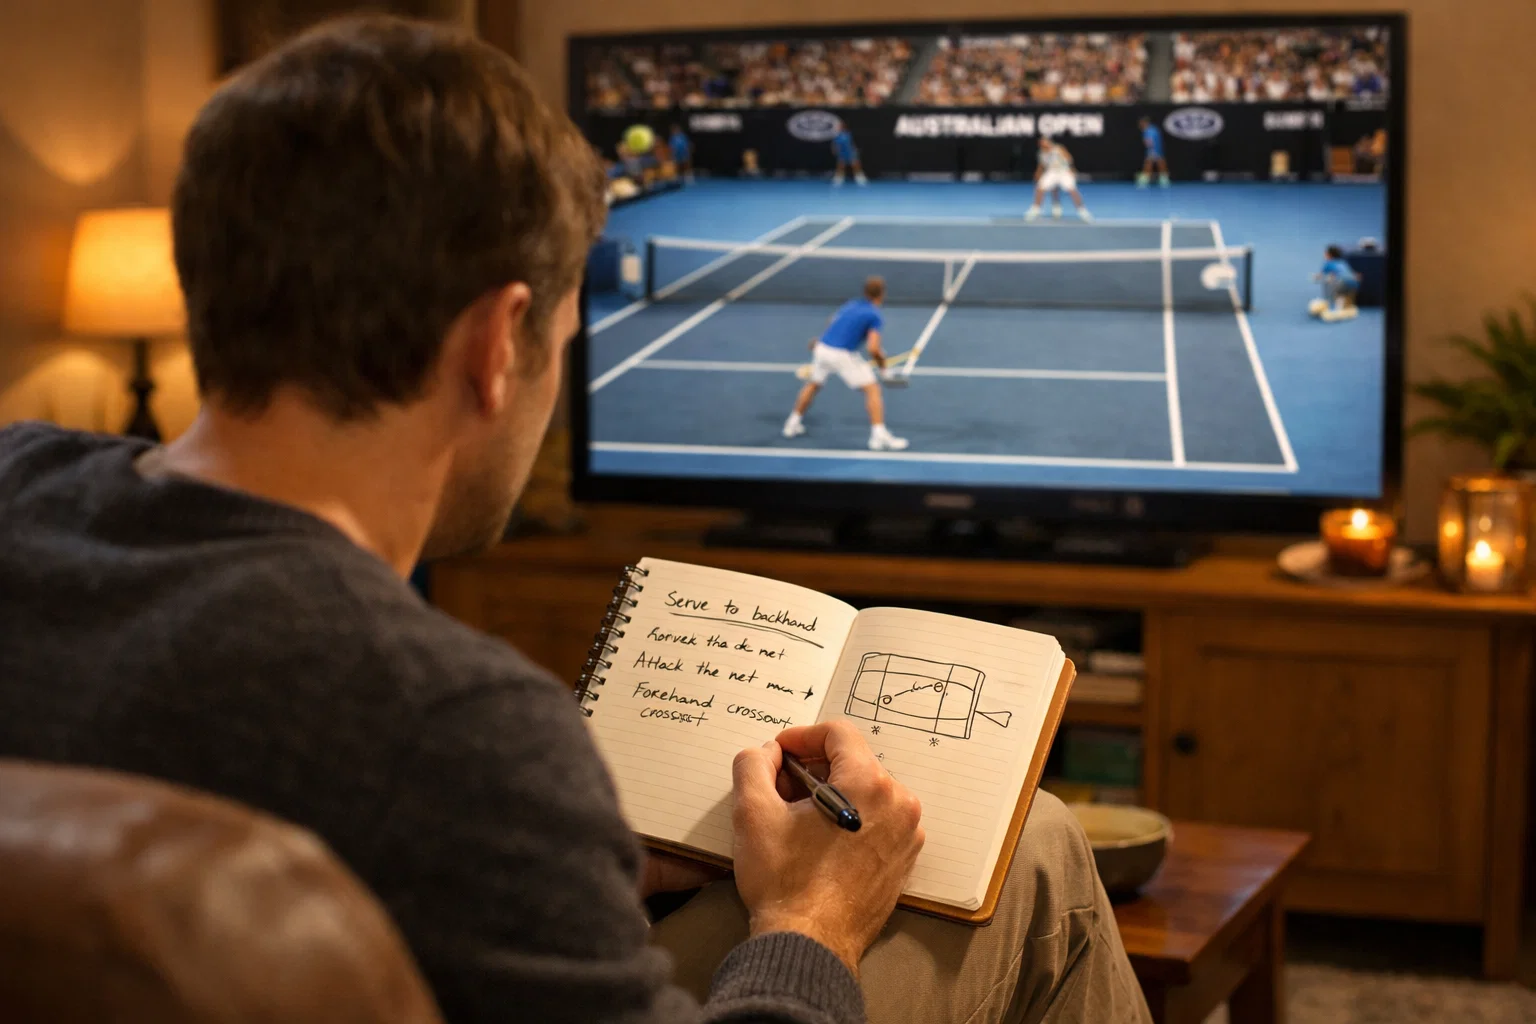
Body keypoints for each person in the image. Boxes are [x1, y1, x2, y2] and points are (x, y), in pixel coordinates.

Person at [0, 15, 1150, 1024]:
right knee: (1035, 848)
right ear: (497, 344)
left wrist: (567, 866)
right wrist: (810, 922)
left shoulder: (19, 483)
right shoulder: (456, 726)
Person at [784, 276, 909, 452]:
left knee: (813, 384)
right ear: (882, 294)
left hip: (823, 347)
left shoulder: (851, 304)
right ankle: (878, 436)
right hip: (841, 354)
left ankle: (792, 424)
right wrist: (883, 367)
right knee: (872, 389)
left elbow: (832, 322)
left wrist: (822, 340)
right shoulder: (874, 315)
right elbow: (873, 348)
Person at [1026, 137, 1092, 222]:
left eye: (1044, 142)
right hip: (1051, 172)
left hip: (1064, 171)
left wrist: (1072, 169)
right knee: (1040, 188)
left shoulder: (1058, 148)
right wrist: (1037, 174)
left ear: (1048, 142)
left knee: (1072, 190)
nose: (1043, 144)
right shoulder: (1041, 153)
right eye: (1041, 143)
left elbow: (1069, 159)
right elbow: (1041, 165)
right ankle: (1036, 209)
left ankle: (1082, 211)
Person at [1311, 244, 1361, 322]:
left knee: (1327, 280)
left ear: (1329, 255)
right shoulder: (1343, 262)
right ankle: (1346, 306)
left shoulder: (1328, 263)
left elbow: (1320, 276)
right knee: (1340, 287)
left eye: (1326, 253)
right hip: (1355, 284)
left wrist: (1315, 277)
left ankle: (1331, 306)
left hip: (1342, 283)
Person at [831, 119, 867, 187]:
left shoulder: (848, 134)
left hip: (850, 153)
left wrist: (854, 151)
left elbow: (852, 144)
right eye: (839, 126)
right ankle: (838, 179)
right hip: (842, 153)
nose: (840, 127)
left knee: (856, 165)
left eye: (841, 126)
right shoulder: (837, 136)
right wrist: (835, 150)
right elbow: (835, 145)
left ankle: (860, 179)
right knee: (840, 166)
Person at [1136, 117, 1169, 188]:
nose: (1140, 125)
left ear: (1145, 123)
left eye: (1141, 123)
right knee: (1160, 163)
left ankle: (1144, 180)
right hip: (1158, 149)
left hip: (1153, 150)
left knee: (1149, 164)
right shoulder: (1154, 129)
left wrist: (1151, 150)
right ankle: (1164, 180)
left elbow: (1149, 141)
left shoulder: (1148, 130)